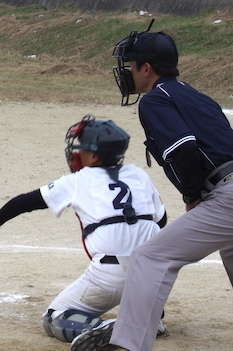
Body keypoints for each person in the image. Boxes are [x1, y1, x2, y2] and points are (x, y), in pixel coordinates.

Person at [71, 25, 233, 351]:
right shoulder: (197, 96)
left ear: (147, 68)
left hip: (226, 196)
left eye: (131, 66)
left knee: (150, 257)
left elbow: (184, 147)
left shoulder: (155, 100)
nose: (127, 73)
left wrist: (192, 195)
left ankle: (128, 345)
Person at [0, 114, 167, 345]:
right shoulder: (139, 175)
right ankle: (147, 316)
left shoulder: (79, 179)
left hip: (109, 277)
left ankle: (110, 328)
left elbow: (24, 202)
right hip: (153, 275)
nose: (76, 153)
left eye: (82, 149)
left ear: (94, 156)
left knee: (55, 317)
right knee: (145, 252)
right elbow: (161, 221)